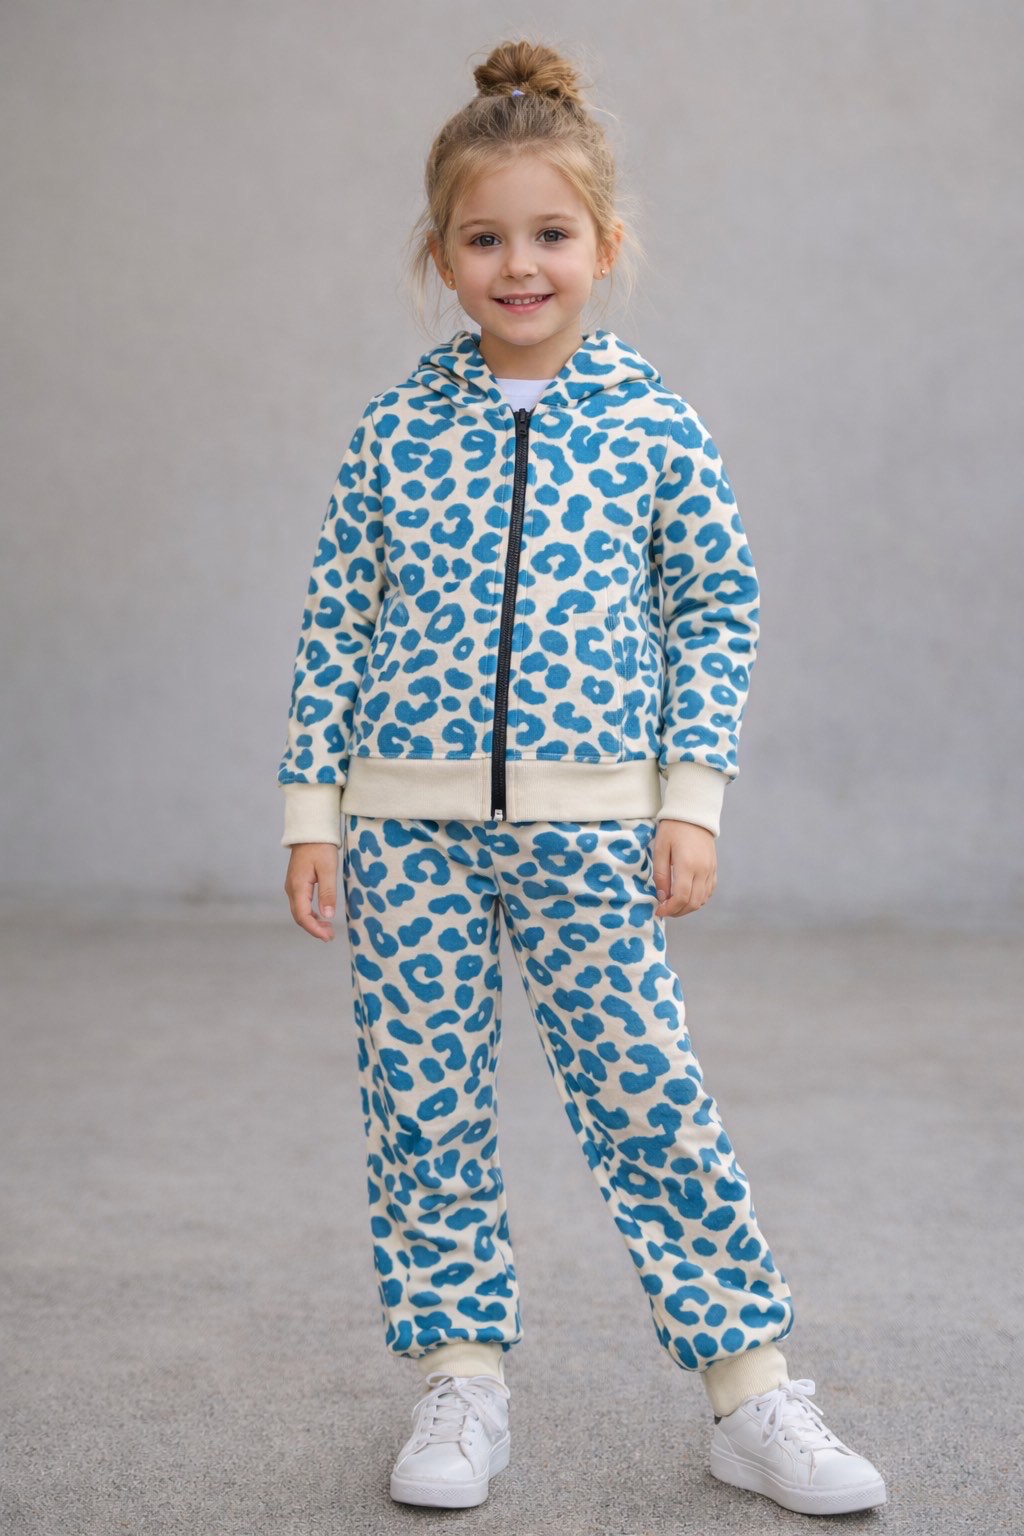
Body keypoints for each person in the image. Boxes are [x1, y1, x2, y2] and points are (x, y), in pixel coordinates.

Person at [276, 36, 887, 1519]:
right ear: (442, 255)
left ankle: (751, 1396)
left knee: (648, 1099)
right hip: (403, 823)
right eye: (485, 238)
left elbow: (717, 604)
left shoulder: (650, 423)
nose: (519, 265)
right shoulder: (395, 429)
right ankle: (459, 1383)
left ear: (604, 246)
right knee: (423, 1109)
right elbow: (335, 618)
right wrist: (313, 810)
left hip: (593, 825)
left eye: (549, 233)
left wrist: (691, 799)